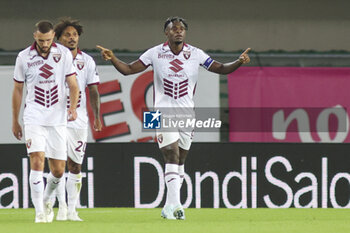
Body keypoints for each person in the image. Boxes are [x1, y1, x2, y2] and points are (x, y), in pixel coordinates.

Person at [97, 16, 250, 220]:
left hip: (187, 114)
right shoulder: (155, 53)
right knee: (171, 154)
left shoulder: (195, 54)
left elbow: (221, 69)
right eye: (174, 28)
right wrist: (113, 59)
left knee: (180, 162)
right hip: (160, 112)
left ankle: (168, 206)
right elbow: (129, 70)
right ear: (166, 33)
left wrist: (239, 61)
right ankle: (178, 207)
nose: (178, 31)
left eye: (181, 29)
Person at [12, 20, 79, 223]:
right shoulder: (24, 57)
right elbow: (17, 90)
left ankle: (48, 199)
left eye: (48, 40)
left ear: (53, 37)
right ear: (35, 37)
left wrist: (73, 107)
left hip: (57, 120)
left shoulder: (64, 54)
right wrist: (15, 120)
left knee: (58, 171)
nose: (45, 44)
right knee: (37, 160)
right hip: (34, 117)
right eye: (41, 40)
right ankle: (39, 213)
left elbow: (73, 85)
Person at [52, 17, 102, 221]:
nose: (72, 38)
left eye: (75, 35)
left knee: (76, 165)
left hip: (79, 120)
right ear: (59, 38)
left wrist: (96, 117)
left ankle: (72, 209)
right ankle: (61, 207)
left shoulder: (87, 60)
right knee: (58, 165)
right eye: (67, 35)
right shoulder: (51, 59)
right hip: (55, 118)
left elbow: (94, 91)